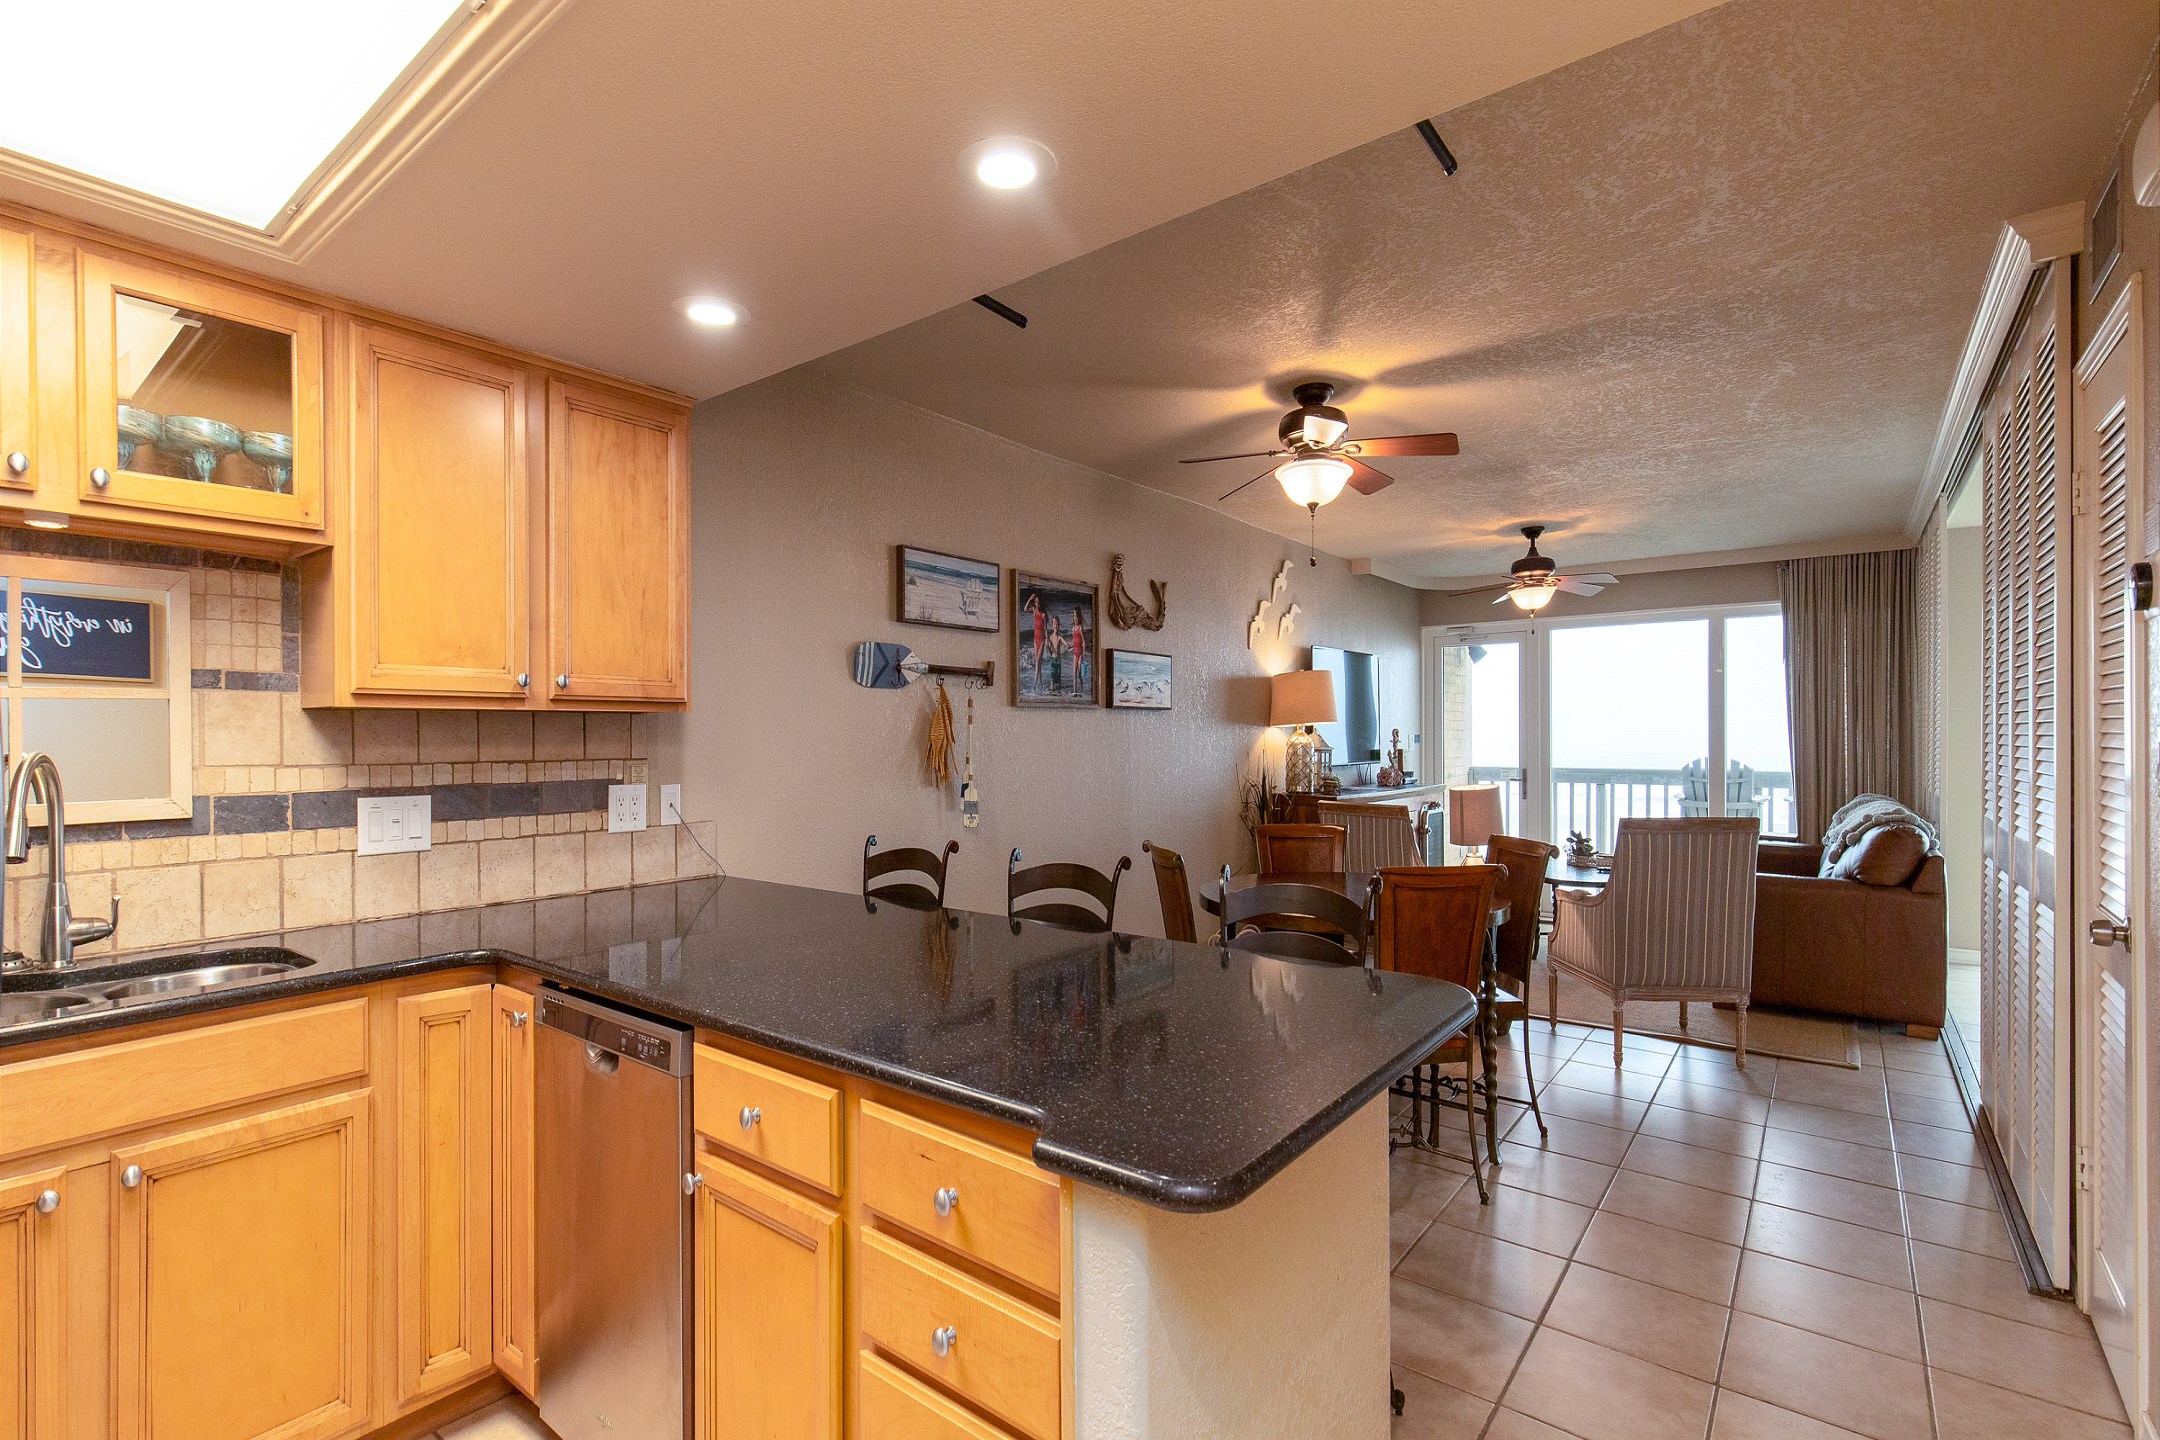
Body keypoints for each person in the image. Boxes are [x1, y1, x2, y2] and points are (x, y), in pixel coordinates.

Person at [1023, 593, 1045, 689]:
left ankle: (1034, 684)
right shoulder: (1034, 610)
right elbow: (1025, 609)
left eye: (1038, 603)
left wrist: (1047, 640)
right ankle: (1041, 685)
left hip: (1042, 640)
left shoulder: (1043, 614)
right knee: (1038, 663)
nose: (1037, 605)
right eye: (1036, 603)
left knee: (1037, 661)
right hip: (1035, 640)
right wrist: (1030, 598)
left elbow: (1045, 629)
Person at [1069, 609, 1087, 696]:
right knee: (1074, 672)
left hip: (1080, 654)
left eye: (1076, 616)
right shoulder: (1073, 628)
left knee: (1079, 672)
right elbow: (1074, 640)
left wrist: (1084, 651)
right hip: (1075, 653)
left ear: (1079, 617)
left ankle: (1082, 686)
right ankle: (1074, 691)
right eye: (1073, 616)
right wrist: (1070, 647)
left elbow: (1083, 640)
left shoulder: (1080, 627)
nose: (1075, 618)